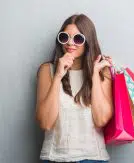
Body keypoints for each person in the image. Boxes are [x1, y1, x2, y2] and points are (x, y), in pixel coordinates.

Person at [35, 14, 114, 163]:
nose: (70, 43)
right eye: (65, 37)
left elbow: (101, 119)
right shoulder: (48, 70)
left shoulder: (102, 71)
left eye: (78, 39)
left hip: (93, 158)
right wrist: (58, 75)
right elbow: (45, 122)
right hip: (55, 158)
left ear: (88, 42)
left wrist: (95, 76)